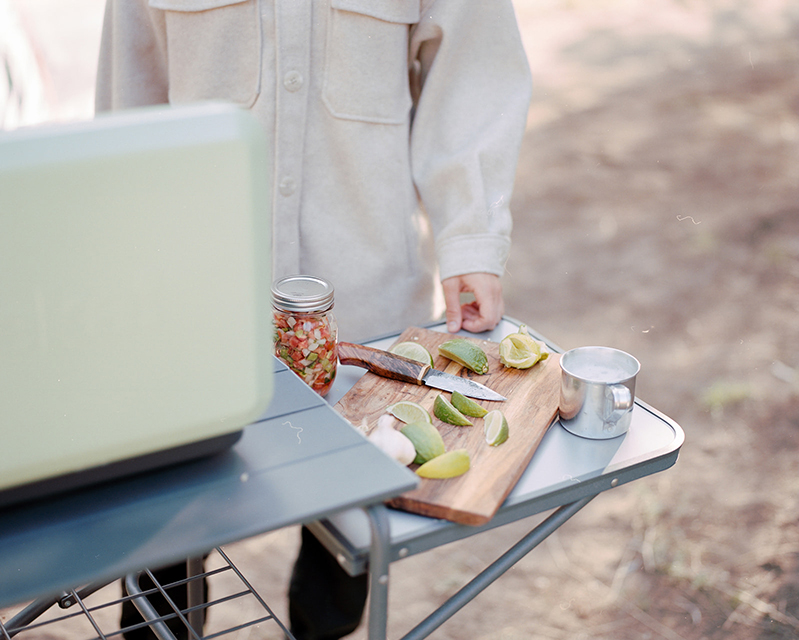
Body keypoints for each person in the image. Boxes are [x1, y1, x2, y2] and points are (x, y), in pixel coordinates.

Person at [96, 1, 532, 638]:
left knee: (347, 540)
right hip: (195, 293)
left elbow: (472, 68)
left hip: (368, 303)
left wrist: (469, 241)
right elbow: (128, 89)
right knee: (164, 535)